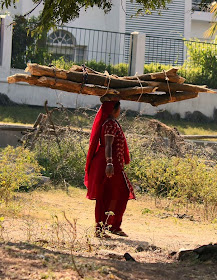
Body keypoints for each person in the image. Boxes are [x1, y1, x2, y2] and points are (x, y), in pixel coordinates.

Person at [84, 100, 135, 238]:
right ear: (114, 109)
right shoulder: (110, 124)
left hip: (113, 164)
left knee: (117, 194)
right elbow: (107, 145)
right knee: (107, 195)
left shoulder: (111, 122)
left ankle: (113, 226)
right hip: (108, 164)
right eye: (119, 108)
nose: (120, 111)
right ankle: (101, 228)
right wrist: (109, 163)